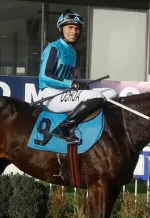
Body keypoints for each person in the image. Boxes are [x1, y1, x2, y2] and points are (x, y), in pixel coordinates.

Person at [39, 9, 116, 144]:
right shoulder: (54, 47)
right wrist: (71, 84)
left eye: (77, 28)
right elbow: (45, 76)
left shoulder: (72, 52)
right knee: (95, 96)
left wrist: (79, 83)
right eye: (70, 27)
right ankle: (64, 128)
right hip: (49, 95)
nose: (74, 31)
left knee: (111, 92)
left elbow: (67, 78)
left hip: (65, 93)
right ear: (60, 29)